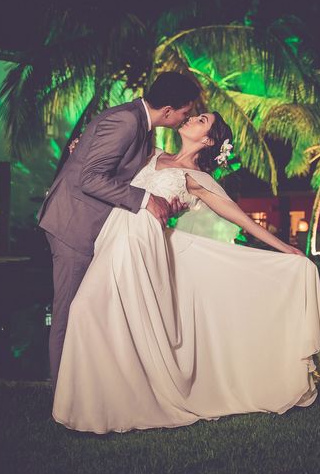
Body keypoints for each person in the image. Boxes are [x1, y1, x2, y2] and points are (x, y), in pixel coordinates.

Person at [52, 111, 320, 433]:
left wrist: (285, 248)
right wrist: (82, 148)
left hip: (140, 242)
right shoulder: (152, 154)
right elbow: (109, 164)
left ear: (208, 140)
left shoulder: (198, 178)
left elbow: (242, 219)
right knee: (97, 314)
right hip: (114, 234)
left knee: (86, 308)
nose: (192, 118)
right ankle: (98, 402)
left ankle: (106, 405)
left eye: (201, 120)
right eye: (195, 115)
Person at [37, 72, 200, 392]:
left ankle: (84, 388)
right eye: (186, 111)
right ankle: (61, 396)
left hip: (90, 225)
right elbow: (90, 179)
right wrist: (145, 200)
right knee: (69, 312)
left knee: (86, 312)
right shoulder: (127, 121)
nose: (187, 117)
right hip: (74, 224)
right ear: (168, 110)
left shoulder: (138, 123)